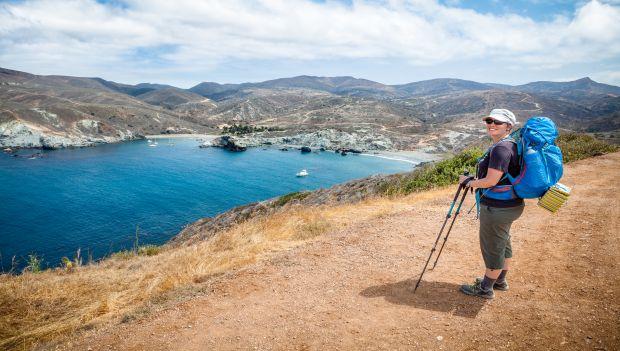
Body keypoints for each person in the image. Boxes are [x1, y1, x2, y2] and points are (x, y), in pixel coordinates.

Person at [458, 108, 524, 299]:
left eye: (498, 122)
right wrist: (476, 179)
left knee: (493, 246)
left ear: (509, 126)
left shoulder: (501, 149)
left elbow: (491, 181)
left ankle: (486, 288)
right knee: (503, 243)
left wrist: (469, 182)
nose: (492, 125)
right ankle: (500, 281)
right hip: (510, 204)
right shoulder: (511, 145)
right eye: (489, 121)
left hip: (497, 208)